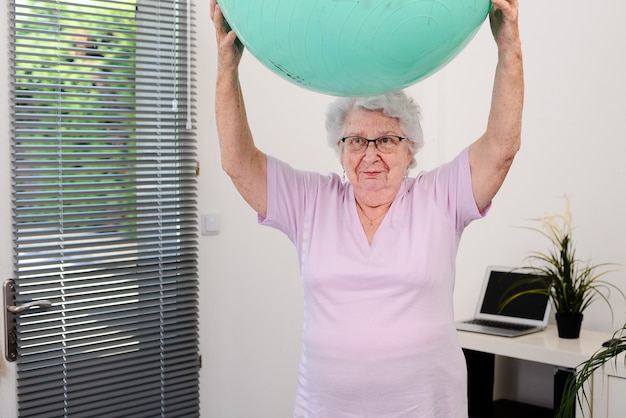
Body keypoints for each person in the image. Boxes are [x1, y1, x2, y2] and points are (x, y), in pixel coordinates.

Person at [210, 0, 523, 416]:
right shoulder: (312, 202)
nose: (370, 154)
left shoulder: (438, 197)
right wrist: (227, 70)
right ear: (340, 151)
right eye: (356, 140)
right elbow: (239, 163)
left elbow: (500, 150)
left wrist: (509, 48)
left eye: (387, 140)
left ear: (410, 150)